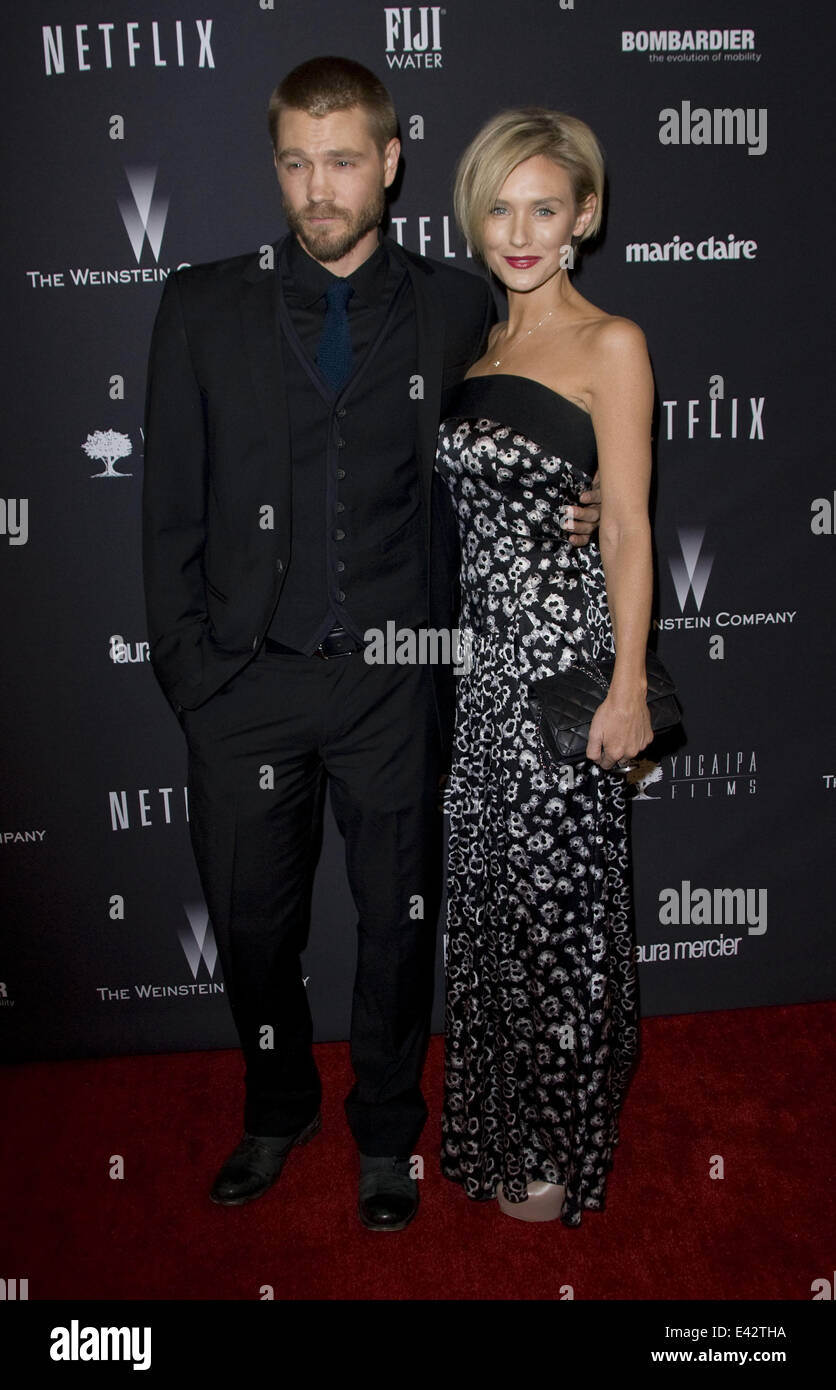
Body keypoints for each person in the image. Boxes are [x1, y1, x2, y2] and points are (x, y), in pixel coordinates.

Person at [142, 60, 601, 1233]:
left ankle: (387, 1128)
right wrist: (196, 679)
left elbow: (538, 412)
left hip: (396, 683)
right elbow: (170, 514)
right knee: (252, 928)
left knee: (398, 924)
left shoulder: (457, 307)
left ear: (390, 163)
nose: (317, 186)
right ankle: (275, 1103)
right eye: (296, 159)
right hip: (244, 682)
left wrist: (583, 496)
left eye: (343, 159)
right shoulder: (202, 305)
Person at [436, 107, 653, 1226]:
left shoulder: (609, 343)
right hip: (479, 683)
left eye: (543, 207)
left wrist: (624, 687)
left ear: (584, 217)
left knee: (556, 911)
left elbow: (623, 524)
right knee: (493, 911)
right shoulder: (479, 347)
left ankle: (557, 1142)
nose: (518, 231)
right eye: (499, 207)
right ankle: (499, 1124)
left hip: (562, 671)